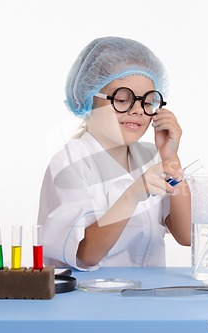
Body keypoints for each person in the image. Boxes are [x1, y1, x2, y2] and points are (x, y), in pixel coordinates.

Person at [37, 37, 191, 270]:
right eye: (122, 99)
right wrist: (133, 194)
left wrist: (171, 158)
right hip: (87, 301)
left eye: (148, 102)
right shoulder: (70, 162)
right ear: (89, 99)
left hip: (146, 299)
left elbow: (186, 235)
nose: (138, 110)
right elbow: (86, 254)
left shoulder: (148, 159)